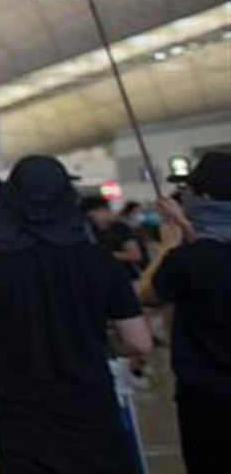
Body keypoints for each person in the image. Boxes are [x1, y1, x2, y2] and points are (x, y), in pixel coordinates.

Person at [0, 155, 152, 473]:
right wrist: (93, 339)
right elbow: (140, 342)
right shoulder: (99, 260)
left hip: (19, 419)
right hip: (92, 414)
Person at [135, 152, 231, 474]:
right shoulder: (199, 255)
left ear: (202, 198)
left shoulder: (187, 259)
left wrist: (169, 243)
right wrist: (188, 231)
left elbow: (145, 295)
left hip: (208, 399)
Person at [82, 197, 146, 279]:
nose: (91, 221)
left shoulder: (120, 228)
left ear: (102, 210)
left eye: (93, 217)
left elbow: (135, 255)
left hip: (127, 277)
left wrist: (102, 255)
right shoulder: (90, 230)